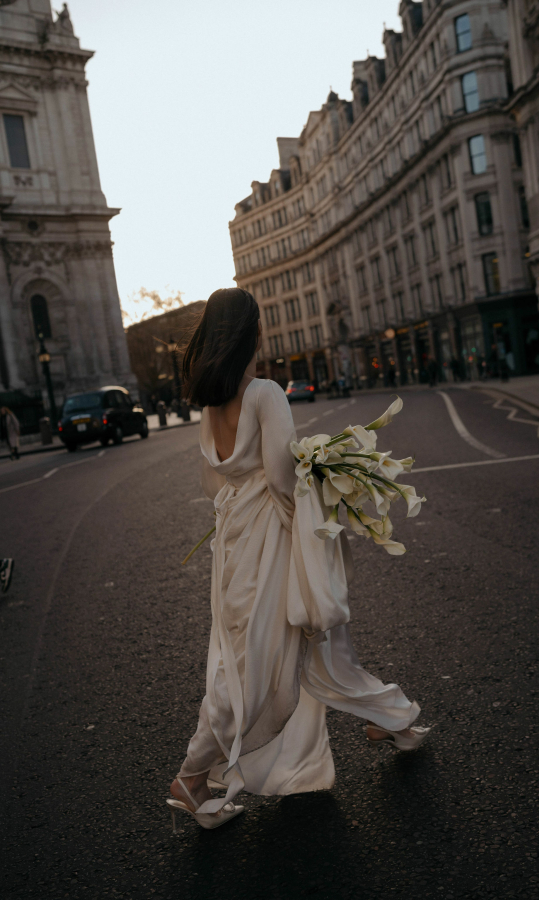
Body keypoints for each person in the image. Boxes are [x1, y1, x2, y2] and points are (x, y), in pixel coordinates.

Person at [167, 288, 429, 832]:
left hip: (236, 534)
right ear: (251, 333)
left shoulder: (213, 404)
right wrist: (316, 508)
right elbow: (284, 477)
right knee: (261, 665)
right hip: (272, 534)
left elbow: (213, 480)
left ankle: (394, 719)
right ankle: (192, 777)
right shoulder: (264, 392)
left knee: (292, 650)